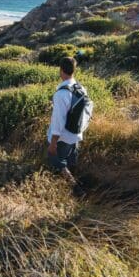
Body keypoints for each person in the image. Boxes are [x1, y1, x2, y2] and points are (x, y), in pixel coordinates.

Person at [47, 56, 91, 184]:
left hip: (63, 137)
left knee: (57, 161)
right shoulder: (81, 88)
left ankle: (75, 187)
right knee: (71, 162)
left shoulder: (61, 94)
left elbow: (58, 121)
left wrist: (53, 142)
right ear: (74, 70)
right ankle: (79, 182)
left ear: (60, 70)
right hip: (76, 134)